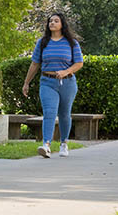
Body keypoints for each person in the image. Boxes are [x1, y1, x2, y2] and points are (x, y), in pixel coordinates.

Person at [22, 13, 83, 158]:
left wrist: (66, 71)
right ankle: (46, 145)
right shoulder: (42, 42)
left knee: (64, 114)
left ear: (62, 24)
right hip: (47, 81)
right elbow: (35, 64)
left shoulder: (71, 42)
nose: (52, 23)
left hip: (67, 82)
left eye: (56, 21)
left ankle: (64, 144)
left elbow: (79, 63)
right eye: (50, 21)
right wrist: (26, 83)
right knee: (49, 112)